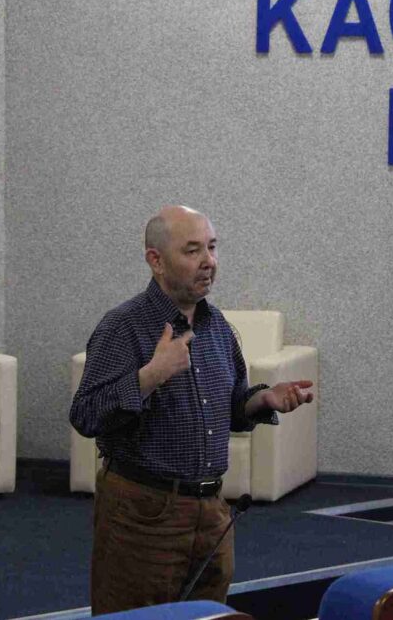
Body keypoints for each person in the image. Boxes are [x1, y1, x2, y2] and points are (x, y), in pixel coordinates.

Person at [69, 205, 314, 614]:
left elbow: (230, 406)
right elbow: (86, 414)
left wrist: (262, 399)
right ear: (156, 260)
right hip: (144, 514)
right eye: (192, 250)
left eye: (212, 248)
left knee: (207, 617)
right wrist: (151, 375)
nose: (209, 261)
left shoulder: (217, 327)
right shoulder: (123, 326)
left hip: (213, 511)